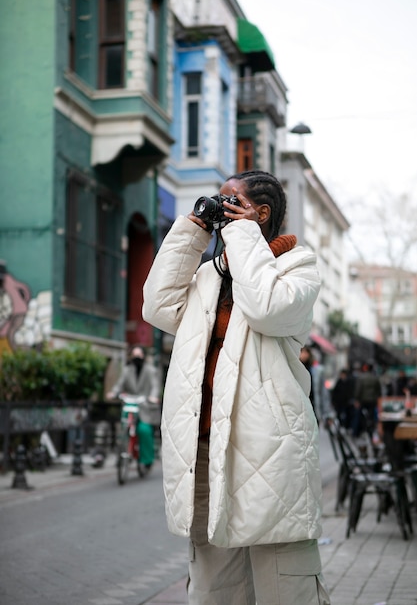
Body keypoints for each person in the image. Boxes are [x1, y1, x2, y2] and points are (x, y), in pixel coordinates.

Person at [143, 170, 331, 604]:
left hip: (270, 453)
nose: (221, 209)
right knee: (215, 592)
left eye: (231, 202)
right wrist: (194, 229)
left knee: (287, 589)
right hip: (206, 452)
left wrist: (245, 235)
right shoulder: (209, 276)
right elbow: (157, 306)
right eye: (219, 202)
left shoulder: (297, 267)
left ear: (260, 213)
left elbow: (266, 307)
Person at [107, 345, 160, 473]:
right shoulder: (127, 370)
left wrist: (153, 396)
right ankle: (122, 453)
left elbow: (155, 386)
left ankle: (147, 460)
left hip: (144, 405)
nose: (136, 357)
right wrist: (113, 393)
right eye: (134, 355)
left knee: (144, 430)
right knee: (123, 428)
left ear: (143, 356)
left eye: (139, 355)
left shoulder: (150, 370)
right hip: (130, 404)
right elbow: (119, 384)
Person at [352, 362, 382, 439]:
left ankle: (356, 433)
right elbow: (379, 390)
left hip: (363, 400)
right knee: (371, 417)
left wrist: (356, 399)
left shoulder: (361, 377)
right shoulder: (375, 378)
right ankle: (370, 432)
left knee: (358, 416)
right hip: (372, 401)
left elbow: (358, 390)